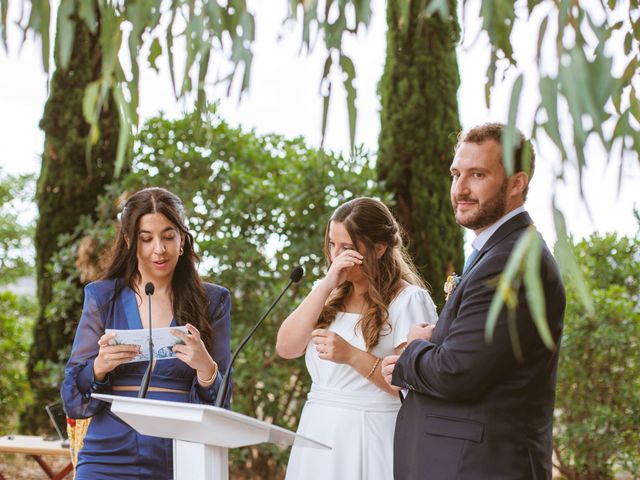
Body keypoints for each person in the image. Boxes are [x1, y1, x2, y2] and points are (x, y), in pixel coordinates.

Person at [382, 123, 566, 479]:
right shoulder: (497, 252)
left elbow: (459, 371)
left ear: (517, 183)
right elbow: (481, 350)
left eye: (477, 174)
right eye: (456, 174)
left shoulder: (512, 263)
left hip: (480, 467)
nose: (460, 189)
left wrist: (411, 353)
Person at [61, 187, 232, 480]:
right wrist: (98, 368)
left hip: (182, 452)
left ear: (182, 241)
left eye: (168, 236)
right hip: (108, 454)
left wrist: (206, 368)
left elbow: (222, 405)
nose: (159, 249)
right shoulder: (103, 297)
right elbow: (73, 401)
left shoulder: (213, 301)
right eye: (146, 238)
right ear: (129, 241)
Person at [276, 197, 438, 480]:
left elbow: (412, 387)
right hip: (317, 431)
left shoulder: (409, 300)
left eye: (347, 248)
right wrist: (326, 284)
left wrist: (351, 355)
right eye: (331, 245)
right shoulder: (328, 292)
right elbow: (286, 347)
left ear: (379, 248)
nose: (336, 256)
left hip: (371, 435)